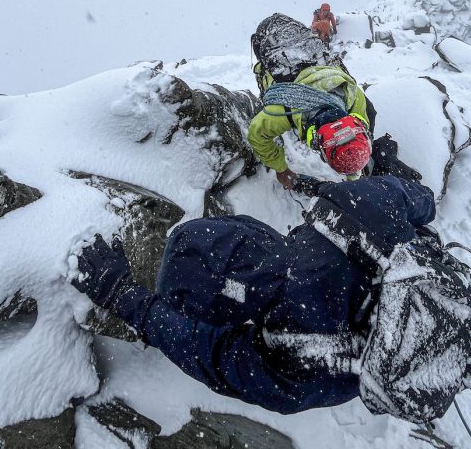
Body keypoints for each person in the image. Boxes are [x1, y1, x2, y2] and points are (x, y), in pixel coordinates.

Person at [71, 171, 437, 414]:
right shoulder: (361, 201)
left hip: (377, 371)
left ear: (229, 315)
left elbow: (202, 350)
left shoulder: (292, 361)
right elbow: (424, 201)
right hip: (437, 297)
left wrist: (120, 294)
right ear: (254, 230)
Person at [248, 14, 420, 192]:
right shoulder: (283, 109)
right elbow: (257, 135)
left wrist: (353, 176)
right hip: (267, 36)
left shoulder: (352, 96)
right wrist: (281, 169)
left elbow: (350, 142)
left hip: (296, 35)